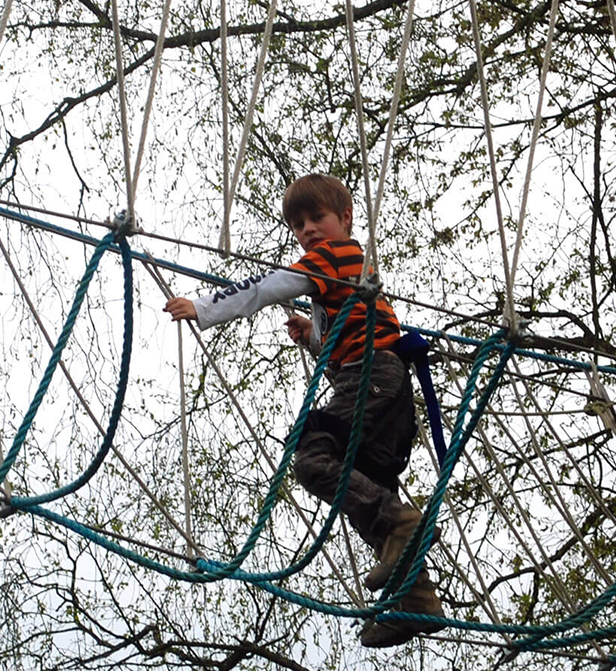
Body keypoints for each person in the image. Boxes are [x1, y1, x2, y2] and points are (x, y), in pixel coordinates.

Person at [164, 173, 444, 648]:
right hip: (384, 387)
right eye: (298, 224)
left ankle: (403, 526)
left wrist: (204, 306)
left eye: (318, 218)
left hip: (373, 378)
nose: (308, 230)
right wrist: (314, 338)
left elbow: (269, 285)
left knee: (313, 456)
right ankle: (415, 596)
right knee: (357, 485)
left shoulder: (332, 257)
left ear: (346, 218)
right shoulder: (345, 277)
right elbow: (344, 340)